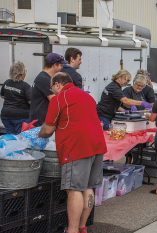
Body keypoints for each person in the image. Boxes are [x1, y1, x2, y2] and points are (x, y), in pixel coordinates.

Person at [37, 72, 107, 233]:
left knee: (74, 189)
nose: (52, 90)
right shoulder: (87, 96)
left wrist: (38, 134)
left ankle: (72, 230)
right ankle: (82, 227)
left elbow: (48, 130)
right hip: (96, 145)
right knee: (88, 187)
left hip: (76, 147)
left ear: (57, 84)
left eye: (52, 87)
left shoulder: (59, 98)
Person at [29, 53, 67, 127]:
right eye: (60, 65)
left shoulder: (44, 77)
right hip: (40, 122)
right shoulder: (44, 79)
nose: (61, 68)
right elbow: (54, 100)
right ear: (54, 65)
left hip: (41, 120)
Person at [0, 61, 31, 134]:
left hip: (6, 115)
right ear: (22, 73)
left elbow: (2, 95)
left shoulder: (6, 82)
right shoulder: (25, 86)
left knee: (11, 138)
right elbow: (30, 101)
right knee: (21, 138)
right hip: (20, 117)